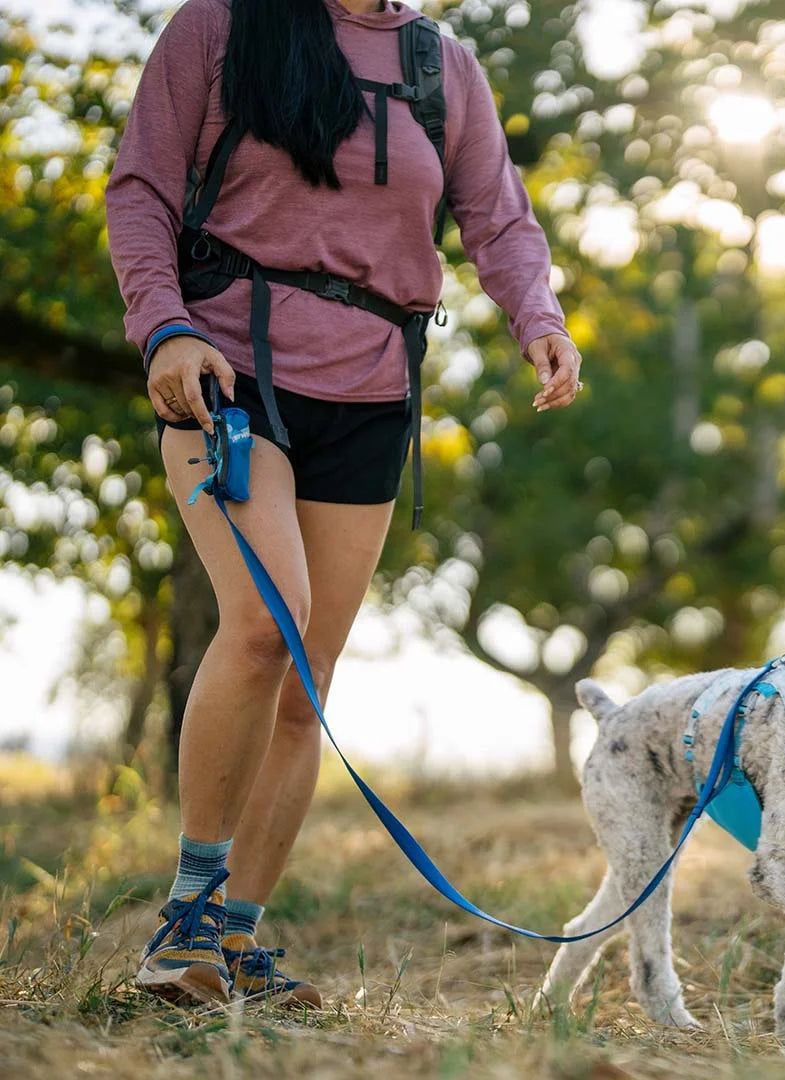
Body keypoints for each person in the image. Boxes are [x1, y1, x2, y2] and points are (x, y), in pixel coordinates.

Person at [105, 0, 582, 1008]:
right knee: (264, 625)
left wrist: (537, 316)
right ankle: (186, 924)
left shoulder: (440, 65)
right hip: (226, 374)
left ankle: (237, 942)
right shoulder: (221, 26)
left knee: (305, 679)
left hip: (370, 390)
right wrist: (162, 328)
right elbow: (141, 185)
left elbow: (496, 212)